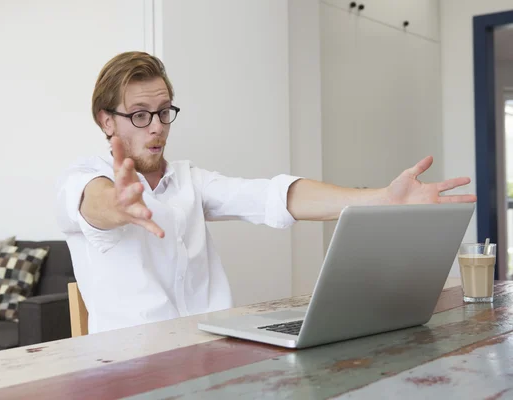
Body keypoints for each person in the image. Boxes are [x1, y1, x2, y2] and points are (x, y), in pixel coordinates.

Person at [56, 51, 476, 334]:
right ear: (106, 121)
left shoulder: (189, 179)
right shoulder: (83, 180)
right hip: (129, 371)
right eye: (140, 115)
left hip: (210, 354)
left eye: (165, 112)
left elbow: (274, 196)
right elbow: (97, 205)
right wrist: (119, 205)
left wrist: (383, 198)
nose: (157, 127)